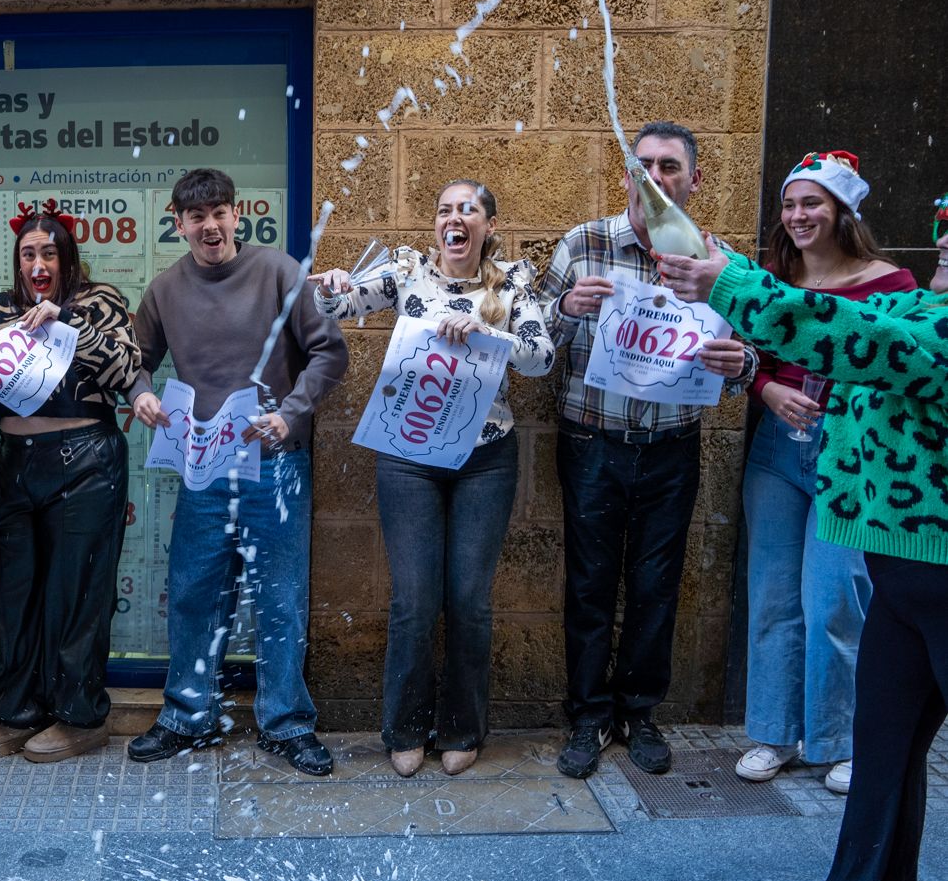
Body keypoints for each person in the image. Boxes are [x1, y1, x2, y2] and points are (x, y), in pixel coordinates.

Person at [658, 206, 948, 881]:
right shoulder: (921, 302)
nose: (944, 236)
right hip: (900, 577)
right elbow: (848, 317)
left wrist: (732, 282)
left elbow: (864, 342)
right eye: (944, 222)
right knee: (881, 763)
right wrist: (729, 275)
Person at [310, 181, 555, 776]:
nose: (455, 219)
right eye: (445, 210)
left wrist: (484, 335)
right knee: (414, 600)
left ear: (488, 226)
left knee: (468, 601)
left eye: (468, 209)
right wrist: (337, 284)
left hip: (485, 460)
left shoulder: (512, 283)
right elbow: (336, 308)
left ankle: (462, 729)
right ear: (436, 226)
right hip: (409, 455)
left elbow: (541, 358)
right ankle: (403, 728)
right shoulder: (407, 272)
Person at [538, 121, 757, 781]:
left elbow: (750, 361)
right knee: (588, 585)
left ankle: (639, 713)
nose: (655, 178)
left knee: (657, 587)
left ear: (693, 181)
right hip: (590, 443)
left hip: (671, 449)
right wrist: (566, 309)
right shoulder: (583, 245)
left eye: (669, 167)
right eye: (644, 166)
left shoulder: (720, 263)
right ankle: (587, 717)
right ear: (627, 175)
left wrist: (738, 362)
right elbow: (529, 345)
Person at [126, 168, 347, 776]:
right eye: (196, 217)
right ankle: (186, 717)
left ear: (236, 214)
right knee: (195, 594)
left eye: (219, 212)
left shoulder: (280, 271)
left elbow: (331, 352)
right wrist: (141, 392)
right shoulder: (164, 289)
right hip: (202, 467)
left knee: (280, 598)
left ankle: (286, 724)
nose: (209, 226)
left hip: (275, 465)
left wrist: (290, 414)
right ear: (178, 224)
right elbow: (135, 360)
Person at [731, 152, 913, 795]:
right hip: (779, 452)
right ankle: (774, 733)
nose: (798, 216)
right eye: (789, 205)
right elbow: (749, 354)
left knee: (836, 602)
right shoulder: (773, 277)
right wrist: (763, 388)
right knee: (774, 598)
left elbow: (900, 372)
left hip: (852, 459)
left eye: (812, 203)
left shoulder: (892, 285)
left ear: (842, 211)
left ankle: (841, 740)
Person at [0, 201, 140, 765]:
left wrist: (62, 321)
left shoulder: (98, 301)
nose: (38, 262)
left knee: (77, 593)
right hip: (15, 461)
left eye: (48, 252)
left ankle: (79, 714)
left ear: (66, 258)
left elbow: (125, 367)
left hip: (86, 460)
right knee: (12, 593)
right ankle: (17, 711)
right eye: (28, 253)